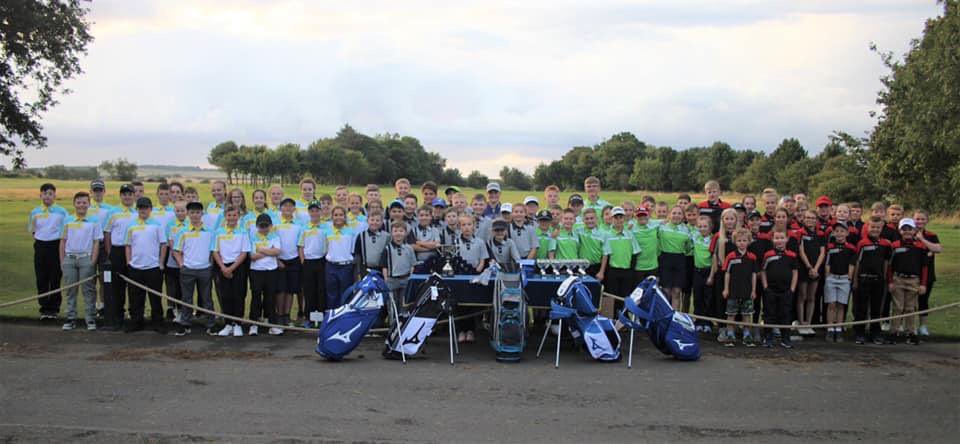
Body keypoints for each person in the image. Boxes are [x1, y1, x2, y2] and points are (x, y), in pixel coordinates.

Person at [59, 191, 102, 331]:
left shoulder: (94, 221)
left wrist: (92, 261)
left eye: (84, 202)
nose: (81, 205)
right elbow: (63, 242)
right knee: (70, 290)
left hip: (86, 258)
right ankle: (70, 318)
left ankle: (90, 318)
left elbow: (96, 242)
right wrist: (63, 260)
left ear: (89, 204)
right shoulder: (68, 220)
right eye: (79, 202)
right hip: (70, 258)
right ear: (74, 204)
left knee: (88, 290)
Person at [124, 197, 168, 333]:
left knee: (155, 297)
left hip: (153, 267)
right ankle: (136, 322)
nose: (143, 210)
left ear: (150, 209)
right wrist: (129, 262)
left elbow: (163, 244)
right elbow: (128, 245)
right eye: (140, 208)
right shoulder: (131, 225)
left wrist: (160, 262)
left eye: (146, 208)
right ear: (137, 209)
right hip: (136, 267)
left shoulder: (157, 225)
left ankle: (158, 323)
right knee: (135, 297)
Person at [171, 201, 213, 336]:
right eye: (192, 212)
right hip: (188, 269)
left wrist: (210, 263)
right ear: (188, 214)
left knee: (206, 298)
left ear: (202, 214)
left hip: (205, 269)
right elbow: (176, 251)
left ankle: (211, 324)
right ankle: (185, 324)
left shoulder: (209, 232)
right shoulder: (183, 232)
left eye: (197, 212)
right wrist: (181, 265)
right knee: (187, 298)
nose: (195, 215)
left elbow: (213, 250)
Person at [30, 182, 69, 320]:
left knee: (55, 278)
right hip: (40, 246)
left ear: (55, 196)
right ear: (40, 195)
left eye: (50, 194)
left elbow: (66, 230)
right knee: (41, 278)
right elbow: (34, 230)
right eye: (45, 193)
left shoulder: (61, 212)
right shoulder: (35, 212)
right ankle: (44, 309)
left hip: (55, 246)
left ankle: (53, 309)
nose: (48, 196)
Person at [887, 218, 929, 345]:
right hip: (898, 279)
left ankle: (911, 332)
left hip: (914, 280)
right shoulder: (894, 246)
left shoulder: (920, 246)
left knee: (911, 308)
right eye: (904, 229)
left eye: (909, 229)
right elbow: (889, 266)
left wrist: (923, 284)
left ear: (914, 230)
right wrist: (890, 282)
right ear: (900, 230)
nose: (907, 232)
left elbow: (924, 267)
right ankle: (894, 332)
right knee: (897, 307)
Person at [102, 184, 138, 330]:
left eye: (130, 194)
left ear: (134, 196)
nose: (127, 197)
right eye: (124, 194)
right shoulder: (113, 212)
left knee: (134, 285)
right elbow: (107, 233)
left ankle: (134, 316)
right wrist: (110, 252)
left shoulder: (139, 211)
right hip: (118, 250)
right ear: (120, 196)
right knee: (117, 287)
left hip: (135, 251)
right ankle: (118, 317)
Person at [853, 216, 892, 344]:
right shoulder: (862, 243)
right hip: (864, 278)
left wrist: (885, 277)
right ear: (867, 227)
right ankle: (859, 332)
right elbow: (858, 262)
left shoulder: (885, 244)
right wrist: (855, 280)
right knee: (861, 308)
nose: (875, 229)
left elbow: (886, 261)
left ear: (881, 228)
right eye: (872, 227)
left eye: (878, 227)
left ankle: (875, 332)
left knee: (876, 308)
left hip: (878, 280)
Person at [213, 205, 249, 337]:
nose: (232, 218)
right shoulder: (219, 232)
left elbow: (244, 252)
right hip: (223, 267)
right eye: (229, 215)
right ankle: (228, 324)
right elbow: (215, 251)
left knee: (238, 296)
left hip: (238, 267)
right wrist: (223, 268)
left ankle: (238, 324)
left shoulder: (243, 232)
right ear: (225, 217)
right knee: (225, 296)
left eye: (234, 215)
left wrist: (231, 268)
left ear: (238, 216)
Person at [598, 207, 641, 315]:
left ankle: (623, 319)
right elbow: (606, 254)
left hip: (627, 270)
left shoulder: (630, 234)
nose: (618, 220)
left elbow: (635, 252)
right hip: (613, 270)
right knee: (613, 295)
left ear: (624, 218)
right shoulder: (607, 235)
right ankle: (614, 318)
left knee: (625, 295)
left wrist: (632, 270)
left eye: (620, 217)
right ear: (612, 219)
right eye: (616, 217)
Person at [760, 229, 798, 348]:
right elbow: (763, 271)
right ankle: (768, 338)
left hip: (786, 290)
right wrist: (765, 287)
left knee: (785, 314)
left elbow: (795, 272)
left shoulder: (792, 255)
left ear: (787, 239)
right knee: (769, 314)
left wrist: (792, 289)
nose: (779, 241)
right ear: (772, 240)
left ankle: (785, 338)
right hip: (771, 290)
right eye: (777, 238)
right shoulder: (768, 255)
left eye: (782, 238)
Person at [455, 214, 489, 343]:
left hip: (474, 274)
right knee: (460, 305)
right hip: (459, 275)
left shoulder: (480, 242)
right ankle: (460, 331)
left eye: (469, 224)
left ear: (474, 226)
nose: (467, 228)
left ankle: (471, 331)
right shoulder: (456, 241)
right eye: (463, 225)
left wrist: (478, 270)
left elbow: (482, 259)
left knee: (471, 305)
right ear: (459, 227)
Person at [721, 228, 758, 347]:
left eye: (744, 240)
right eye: (739, 241)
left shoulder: (752, 257)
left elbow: (754, 274)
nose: (742, 243)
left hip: (747, 290)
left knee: (747, 314)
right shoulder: (730, 256)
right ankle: (730, 334)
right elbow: (727, 273)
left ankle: (747, 334)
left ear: (749, 242)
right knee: (731, 313)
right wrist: (726, 289)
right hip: (733, 290)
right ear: (735, 242)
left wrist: (753, 290)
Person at [248, 214, 281, 336]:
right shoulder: (252, 237)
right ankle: (254, 323)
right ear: (257, 226)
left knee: (270, 297)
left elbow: (277, 251)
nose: (264, 229)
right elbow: (252, 256)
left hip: (271, 270)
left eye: (266, 226)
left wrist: (261, 249)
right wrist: (268, 251)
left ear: (271, 226)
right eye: (261, 226)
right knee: (256, 297)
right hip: (256, 271)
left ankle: (271, 323)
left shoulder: (274, 236)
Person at [274, 198, 304, 330]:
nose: (287, 208)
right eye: (285, 206)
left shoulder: (299, 225)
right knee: (280, 289)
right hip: (279, 260)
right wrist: (276, 260)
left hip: (294, 260)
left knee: (291, 290)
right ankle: (279, 315)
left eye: (290, 206)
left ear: (294, 209)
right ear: (280, 208)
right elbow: (272, 243)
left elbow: (300, 244)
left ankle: (287, 315)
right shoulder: (275, 224)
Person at [823, 222, 856, 342]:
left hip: (844, 279)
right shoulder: (830, 247)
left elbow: (851, 264)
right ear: (834, 233)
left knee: (841, 305)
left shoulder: (851, 248)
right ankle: (830, 328)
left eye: (842, 231)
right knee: (831, 304)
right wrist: (827, 277)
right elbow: (827, 263)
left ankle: (839, 328)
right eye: (837, 231)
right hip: (832, 278)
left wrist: (849, 277)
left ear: (847, 233)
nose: (839, 233)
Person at [711, 209, 740, 343]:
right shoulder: (718, 236)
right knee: (721, 300)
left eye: (731, 219)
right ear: (722, 220)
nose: (729, 221)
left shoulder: (740, 234)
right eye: (726, 219)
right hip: (722, 273)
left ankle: (734, 327)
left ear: (736, 220)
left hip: (737, 274)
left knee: (735, 301)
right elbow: (714, 256)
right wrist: (712, 275)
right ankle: (722, 328)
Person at [324, 206, 360, 310]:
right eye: (335, 215)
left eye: (341, 215)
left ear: (345, 217)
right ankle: (332, 315)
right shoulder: (328, 231)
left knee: (345, 293)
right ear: (332, 217)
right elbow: (325, 248)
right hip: (331, 266)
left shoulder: (350, 232)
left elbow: (352, 250)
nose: (338, 217)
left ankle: (344, 315)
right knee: (331, 294)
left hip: (345, 266)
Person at [913, 210, 942, 337]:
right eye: (917, 219)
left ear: (926, 221)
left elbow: (938, 249)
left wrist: (922, 239)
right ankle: (909, 326)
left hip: (927, 274)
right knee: (908, 303)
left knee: (923, 301)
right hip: (911, 273)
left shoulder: (931, 235)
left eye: (922, 219)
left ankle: (923, 326)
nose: (919, 221)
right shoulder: (907, 232)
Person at [298, 202, 327, 327]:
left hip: (321, 261)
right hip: (308, 262)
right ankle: (309, 317)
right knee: (309, 290)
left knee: (321, 290)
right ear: (309, 212)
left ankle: (320, 317)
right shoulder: (305, 228)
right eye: (312, 211)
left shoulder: (326, 227)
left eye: (317, 211)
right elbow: (300, 246)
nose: (314, 213)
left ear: (321, 212)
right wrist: (303, 261)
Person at [796, 210, 825, 336]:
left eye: (813, 218)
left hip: (816, 269)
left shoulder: (821, 234)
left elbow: (822, 252)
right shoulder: (800, 233)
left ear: (816, 220)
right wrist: (809, 267)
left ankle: (808, 323)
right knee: (802, 296)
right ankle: (801, 322)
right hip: (804, 268)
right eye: (807, 218)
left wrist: (816, 268)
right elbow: (801, 251)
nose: (810, 220)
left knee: (812, 297)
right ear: (803, 219)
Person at [658, 206, 692, 310]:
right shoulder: (661, 227)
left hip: (680, 260)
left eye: (679, 213)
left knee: (676, 291)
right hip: (665, 259)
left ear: (683, 216)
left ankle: (674, 318)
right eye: (674, 213)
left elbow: (688, 247)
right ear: (669, 214)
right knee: (666, 291)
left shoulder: (686, 230)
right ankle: (664, 316)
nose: (676, 215)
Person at [384, 223, 416, 328]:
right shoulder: (387, 248)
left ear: (405, 233)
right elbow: (384, 266)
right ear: (391, 233)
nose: (398, 233)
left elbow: (412, 264)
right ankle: (392, 327)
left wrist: (410, 277)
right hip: (392, 280)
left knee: (404, 305)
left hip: (405, 279)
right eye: (395, 231)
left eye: (401, 231)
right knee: (392, 305)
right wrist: (386, 280)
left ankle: (403, 327)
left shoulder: (409, 248)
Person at [163, 200, 187, 323]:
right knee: (175, 288)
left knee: (185, 289)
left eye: (183, 210)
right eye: (177, 210)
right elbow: (170, 242)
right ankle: (176, 312)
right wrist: (176, 252)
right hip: (173, 261)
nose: (180, 213)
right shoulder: (170, 225)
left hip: (187, 260)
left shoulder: (190, 224)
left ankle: (185, 313)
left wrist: (184, 253)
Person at [690, 216, 714, 333]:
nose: (702, 229)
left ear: (710, 228)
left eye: (705, 226)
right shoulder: (695, 237)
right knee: (698, 297)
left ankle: (708, 322)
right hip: (697, 271)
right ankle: (698, 321)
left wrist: (712, 275)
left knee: (708, 298)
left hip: (708, 271)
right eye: (700, 226)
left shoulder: (713, 239)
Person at [631, 207, 659, 282]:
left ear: (648, 216)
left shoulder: (654, 225)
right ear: (636, 217)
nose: (642, 218)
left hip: (652, 266)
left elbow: (665, 221)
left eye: (644, 215)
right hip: (638, 267)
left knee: (650, 291)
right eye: (640, 216)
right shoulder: (632, 228)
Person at [577, 208, 606, 276]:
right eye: (587, 219)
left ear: (596, 219)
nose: (589, 221)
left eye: (592, 218)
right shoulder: (579, 231)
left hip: (596, 266)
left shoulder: (603, 233)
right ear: (583, 220)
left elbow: (605, 254)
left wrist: (601, 272)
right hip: (582, 266)